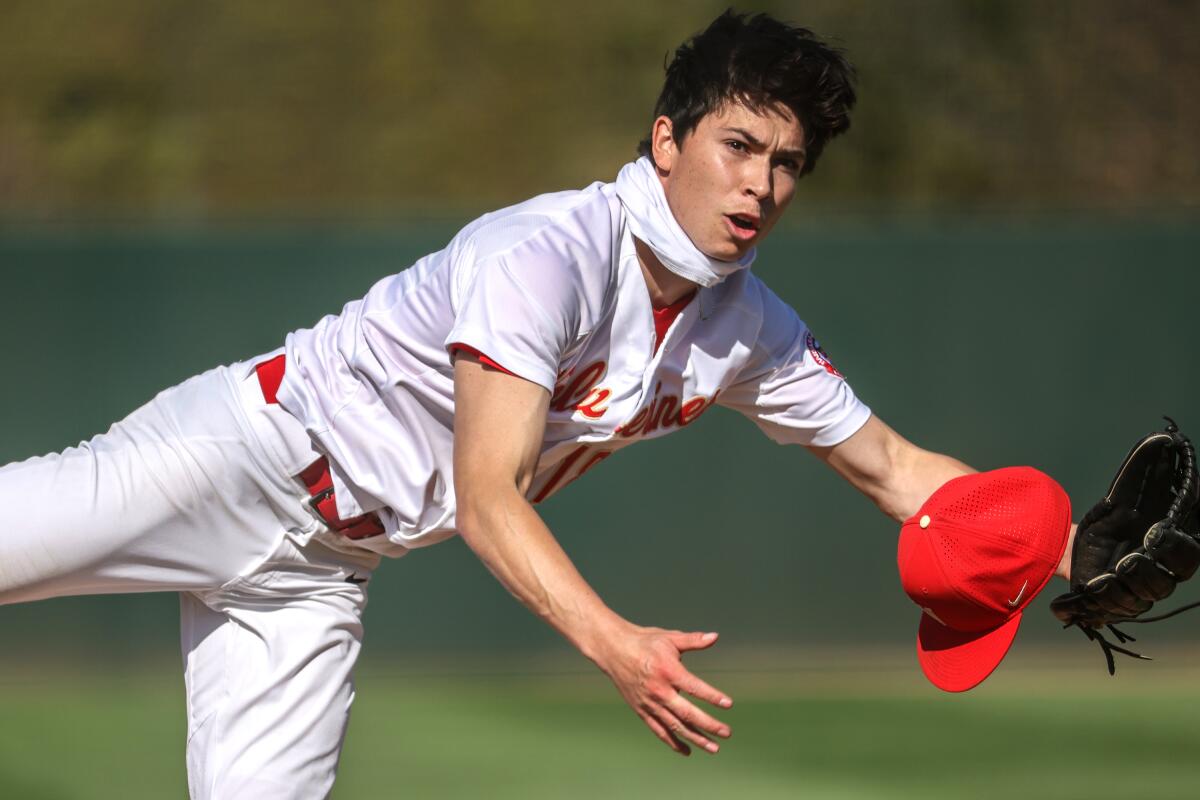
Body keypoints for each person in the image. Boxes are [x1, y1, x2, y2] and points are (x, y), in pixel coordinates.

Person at [0, 10, 1074, 799]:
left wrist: (1074, 546)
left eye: (789, 163)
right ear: (667, 141)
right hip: (233, 460)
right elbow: (486, 495)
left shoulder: (748, 325)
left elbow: (893, 466)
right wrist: (615, 642)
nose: (761, 185)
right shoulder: (546, 256)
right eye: (737, 146)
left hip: (321, 576)